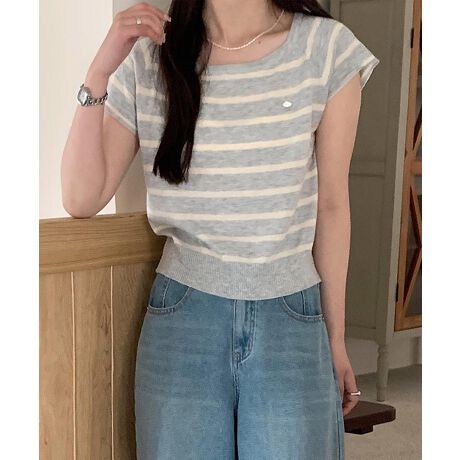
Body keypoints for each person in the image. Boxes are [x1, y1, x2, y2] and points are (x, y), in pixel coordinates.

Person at [61, 1, 379, 458]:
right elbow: (80, 197)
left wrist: (334, 338)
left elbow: (331, 205)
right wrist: (99, 71)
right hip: (183, 318)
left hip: (291, 320)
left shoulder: (326, 48)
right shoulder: (150, 58)